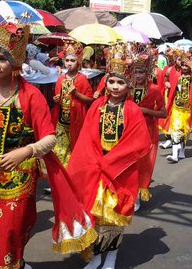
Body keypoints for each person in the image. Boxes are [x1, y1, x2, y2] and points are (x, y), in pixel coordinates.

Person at [0, 21, 96, 269]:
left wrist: (27, 151)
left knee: (8, 235)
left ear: (15, 60)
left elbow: (49, 137)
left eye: (1, 59)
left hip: (18, 182)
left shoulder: (30, 96)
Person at [66, 52, 151, 269]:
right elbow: (87, 136)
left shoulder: (132, 110)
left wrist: (112, 161)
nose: (114, 86)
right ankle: (96, 257)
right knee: (96, 215)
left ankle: (111, 257)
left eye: (120, 82)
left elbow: (139, 143)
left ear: (128, 85)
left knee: (113, 217)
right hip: (97, 167)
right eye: (111, 81)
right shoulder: (97, 106)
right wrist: (92, 160)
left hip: (121, 171)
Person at [131, 52, 166, 210]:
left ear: (148, 73)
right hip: (129, 132)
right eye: (136, 72)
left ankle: (137, 194)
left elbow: (163, 113)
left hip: (148, 132)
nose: (138, 75)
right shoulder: (128, 89)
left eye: (141, 72)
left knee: (143, 164)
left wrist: (146, 111)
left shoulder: (154, 90)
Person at [51, 42, 93, 167]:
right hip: (61, 122)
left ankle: (72, 175)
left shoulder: (82, 79)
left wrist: (76, 94)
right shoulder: (60, 79)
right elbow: (58, 99)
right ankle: (63, 177)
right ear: (63, 61)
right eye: (67, 60)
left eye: (72, 60)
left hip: (77, 120)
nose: (69, 63)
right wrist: (56, 100)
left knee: (75, 150)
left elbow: (90, 100)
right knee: (59, 151)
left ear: (78, 61)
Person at [160, 50, 192, 163]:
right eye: (183, 65)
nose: (184, 67)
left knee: (184, 131)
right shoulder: (176, 75)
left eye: (186, 65)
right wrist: (167, 84)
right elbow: (168, 81)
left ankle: (182, 152)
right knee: (175, 130)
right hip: (176, 108)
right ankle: (174, 155)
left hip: (187, 109)